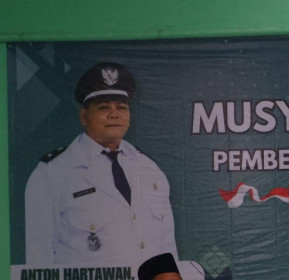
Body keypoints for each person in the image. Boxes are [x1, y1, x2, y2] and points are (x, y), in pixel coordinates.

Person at [25, 61, 177, 266]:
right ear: (84, 117)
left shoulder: (149, 168)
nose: (114, 114)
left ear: (129, 116)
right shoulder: (52, 173)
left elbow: (168, 251)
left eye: (121, 107)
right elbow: (39, 260)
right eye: (103, 108)